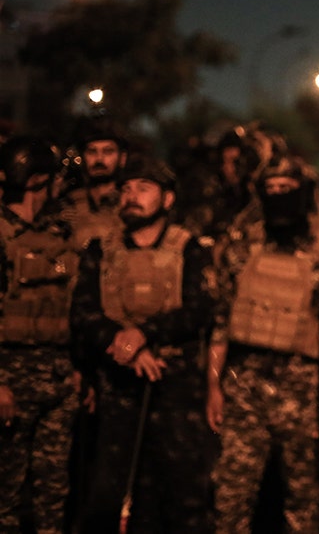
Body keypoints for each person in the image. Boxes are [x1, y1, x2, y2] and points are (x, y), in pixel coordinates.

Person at [70, 155, 215, 533]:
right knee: (109, 498)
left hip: (176, 389)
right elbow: (83, 313)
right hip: (118, 387)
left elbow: (199, 308)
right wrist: (123, 343)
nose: (131, 196)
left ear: (167, 199)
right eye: (126, 188)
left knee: (183, 499)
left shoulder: (189, 249)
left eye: (144, 188)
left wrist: (145, 334)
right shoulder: (101, 250)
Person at [207, 154, 319, 533]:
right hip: (244, 389)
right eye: (270, 189)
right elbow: (220, 323)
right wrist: (213, 386)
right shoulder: (241, 251)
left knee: (303, 503)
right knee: (230, 499)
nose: (278, 196)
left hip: (300, 394)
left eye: (287, 189)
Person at [0, 137, 81, 533]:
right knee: (5, 493)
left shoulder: (59, 234)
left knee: (53, 490)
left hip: (58, 379)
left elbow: (70, 305)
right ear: (37, 181)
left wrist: (75, 370)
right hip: (10, 381)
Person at [61, 118, 128, 250]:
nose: (99, 159)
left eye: (108, 151)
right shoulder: (67, 205)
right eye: (92, 151)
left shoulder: (130, 204)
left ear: (122, 158)